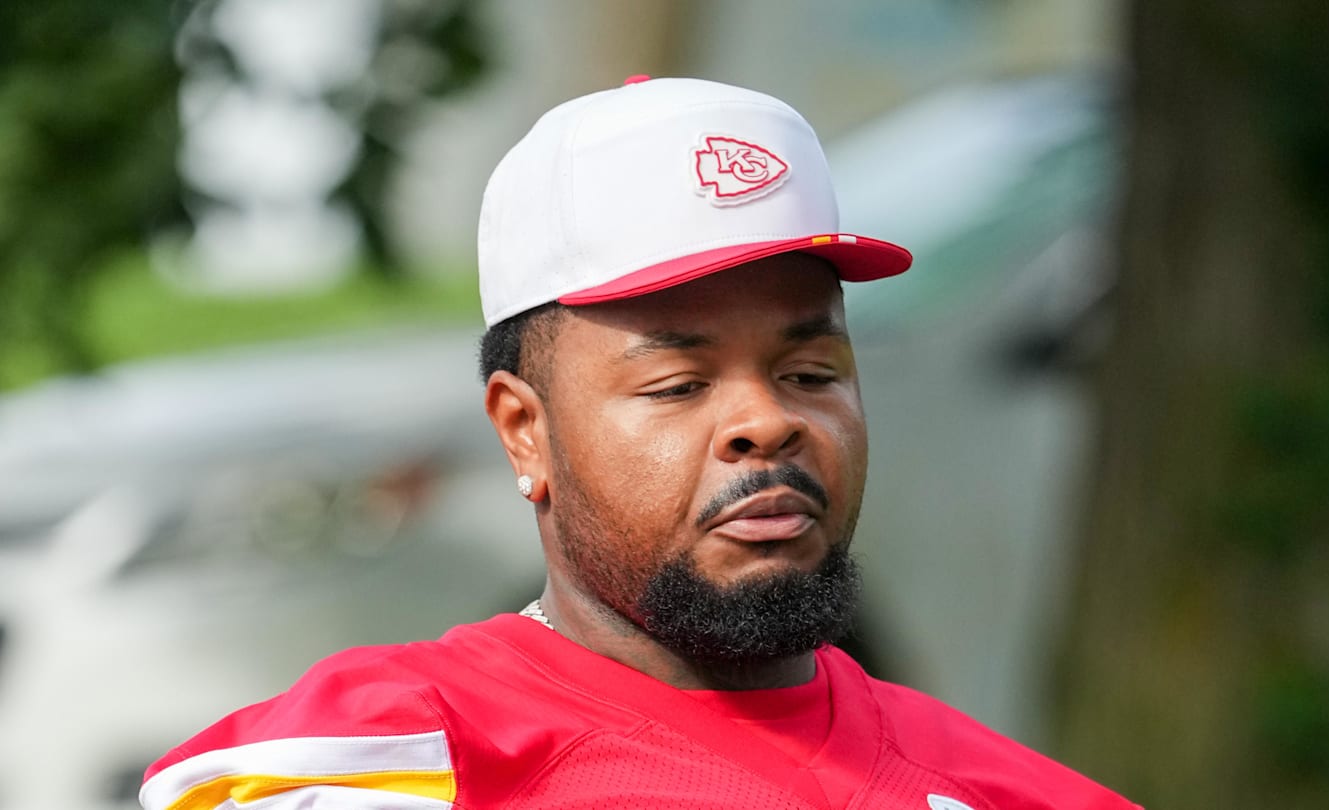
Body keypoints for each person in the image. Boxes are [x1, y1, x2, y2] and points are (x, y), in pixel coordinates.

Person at [139, 76, 1138, 810]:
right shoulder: (375, 766)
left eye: (811, 372)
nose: (767, 421)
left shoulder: (1012, 793)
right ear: (525, 432)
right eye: (677, 385)